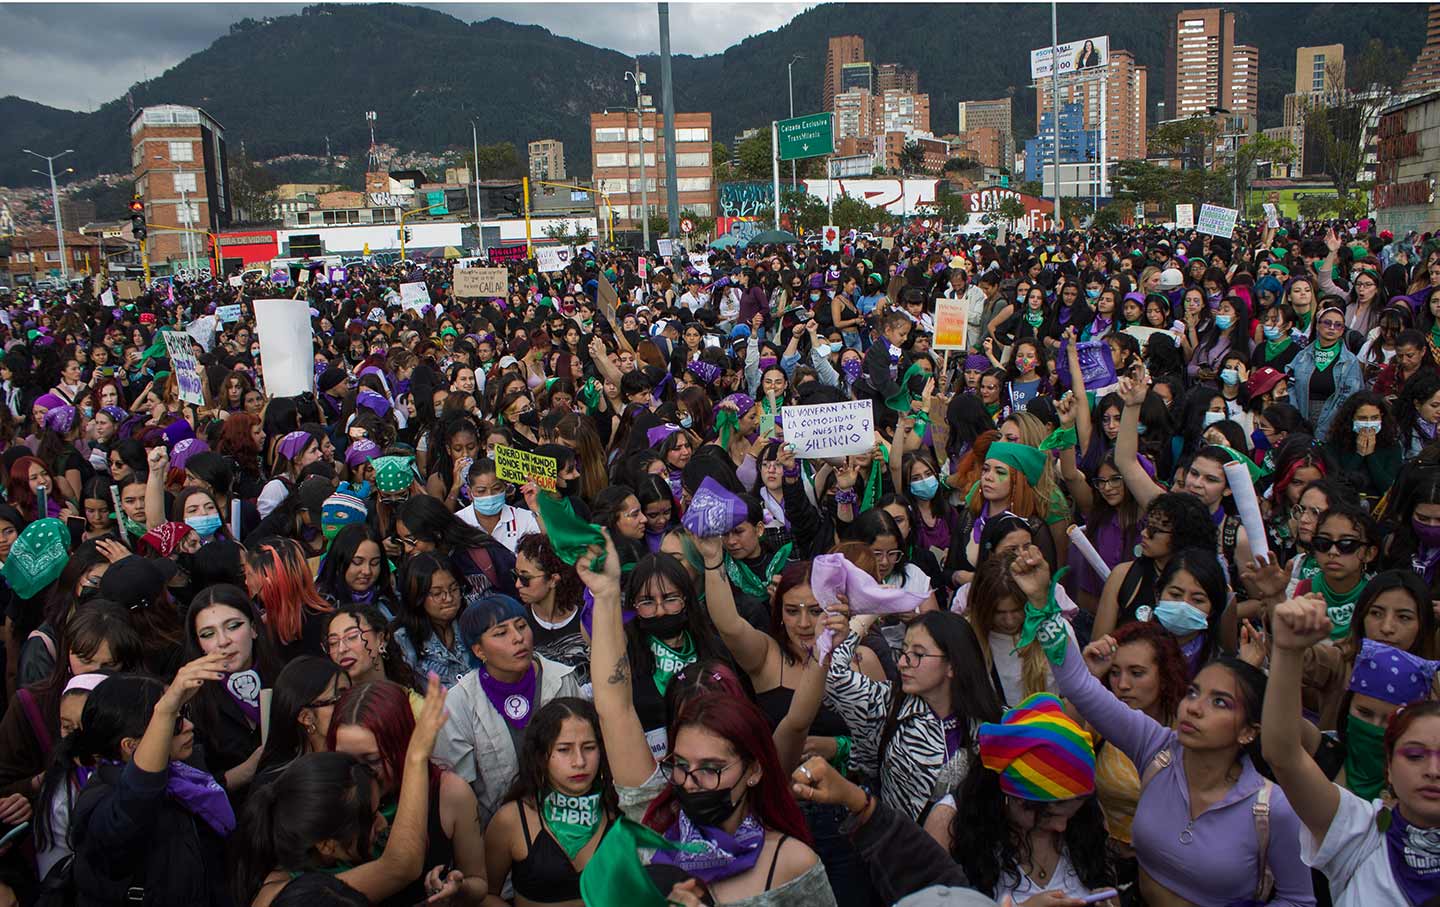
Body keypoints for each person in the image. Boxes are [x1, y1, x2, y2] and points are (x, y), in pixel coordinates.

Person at [1012, 543, 1317, 906]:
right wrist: (1041, 603)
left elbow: (1299, 900)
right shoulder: (1155, 748)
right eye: (1194, 693)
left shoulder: (1272, 808)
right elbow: (1079, 686)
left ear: (1249, 730)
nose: (1195, 708)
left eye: (1219, 702)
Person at [577, 529, 837, 906]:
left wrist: (823, 647)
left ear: (753, 768)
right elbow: (613, 705)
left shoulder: (791, 862)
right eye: (681, 764)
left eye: (713, 767)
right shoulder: (654, 814)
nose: (693, 782)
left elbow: (796, 721)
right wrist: (604, 596)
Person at [1263, 594, 1440, 907]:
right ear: (1389, 766)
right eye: (1414, 755)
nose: (1433, 770)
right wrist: (1288, 651)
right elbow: (1284, 755)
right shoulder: (1360, 834)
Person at [234, 674, 460, 906]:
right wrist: (415, 756)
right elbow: (400, 866)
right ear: (326, 845)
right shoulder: (292, 898)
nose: (384, 825)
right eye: (371, 817)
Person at [50, 655, 235, 904]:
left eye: (182, 713)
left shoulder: (181, 773)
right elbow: (138, 797)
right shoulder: (101, 804)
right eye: (175, 723)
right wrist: (165, 710)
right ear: (130, 746)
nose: (189, 726)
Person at [329, 680, 488, 904]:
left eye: (372, 760)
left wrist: (457, 888)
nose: (358, 774)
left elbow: (479, 883)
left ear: (403, 747)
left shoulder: (450, 793)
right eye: (345, 759)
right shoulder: (322, 795)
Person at [434, 592, 582, 825]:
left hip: (569, 817)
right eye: (501, 633)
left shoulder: (561, 679)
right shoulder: (458, 703)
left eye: (522, 626)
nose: (518, 638)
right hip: (498, 830)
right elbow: (458, 790)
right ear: (479, 651)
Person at [481, 698, 617, 907]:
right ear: (541, 755)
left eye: (589, 747)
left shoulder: (619, 812)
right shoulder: (512, 820)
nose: (579, 761)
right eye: (564, 749)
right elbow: (482, 895)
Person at [182, 584, 281, 797]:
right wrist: (245, 771)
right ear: (199, 645)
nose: (223, 641)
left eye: (233, 626)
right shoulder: (191, 701)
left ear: (254, 628)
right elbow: (193, 787)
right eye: (208, 634)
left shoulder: (286, 679)